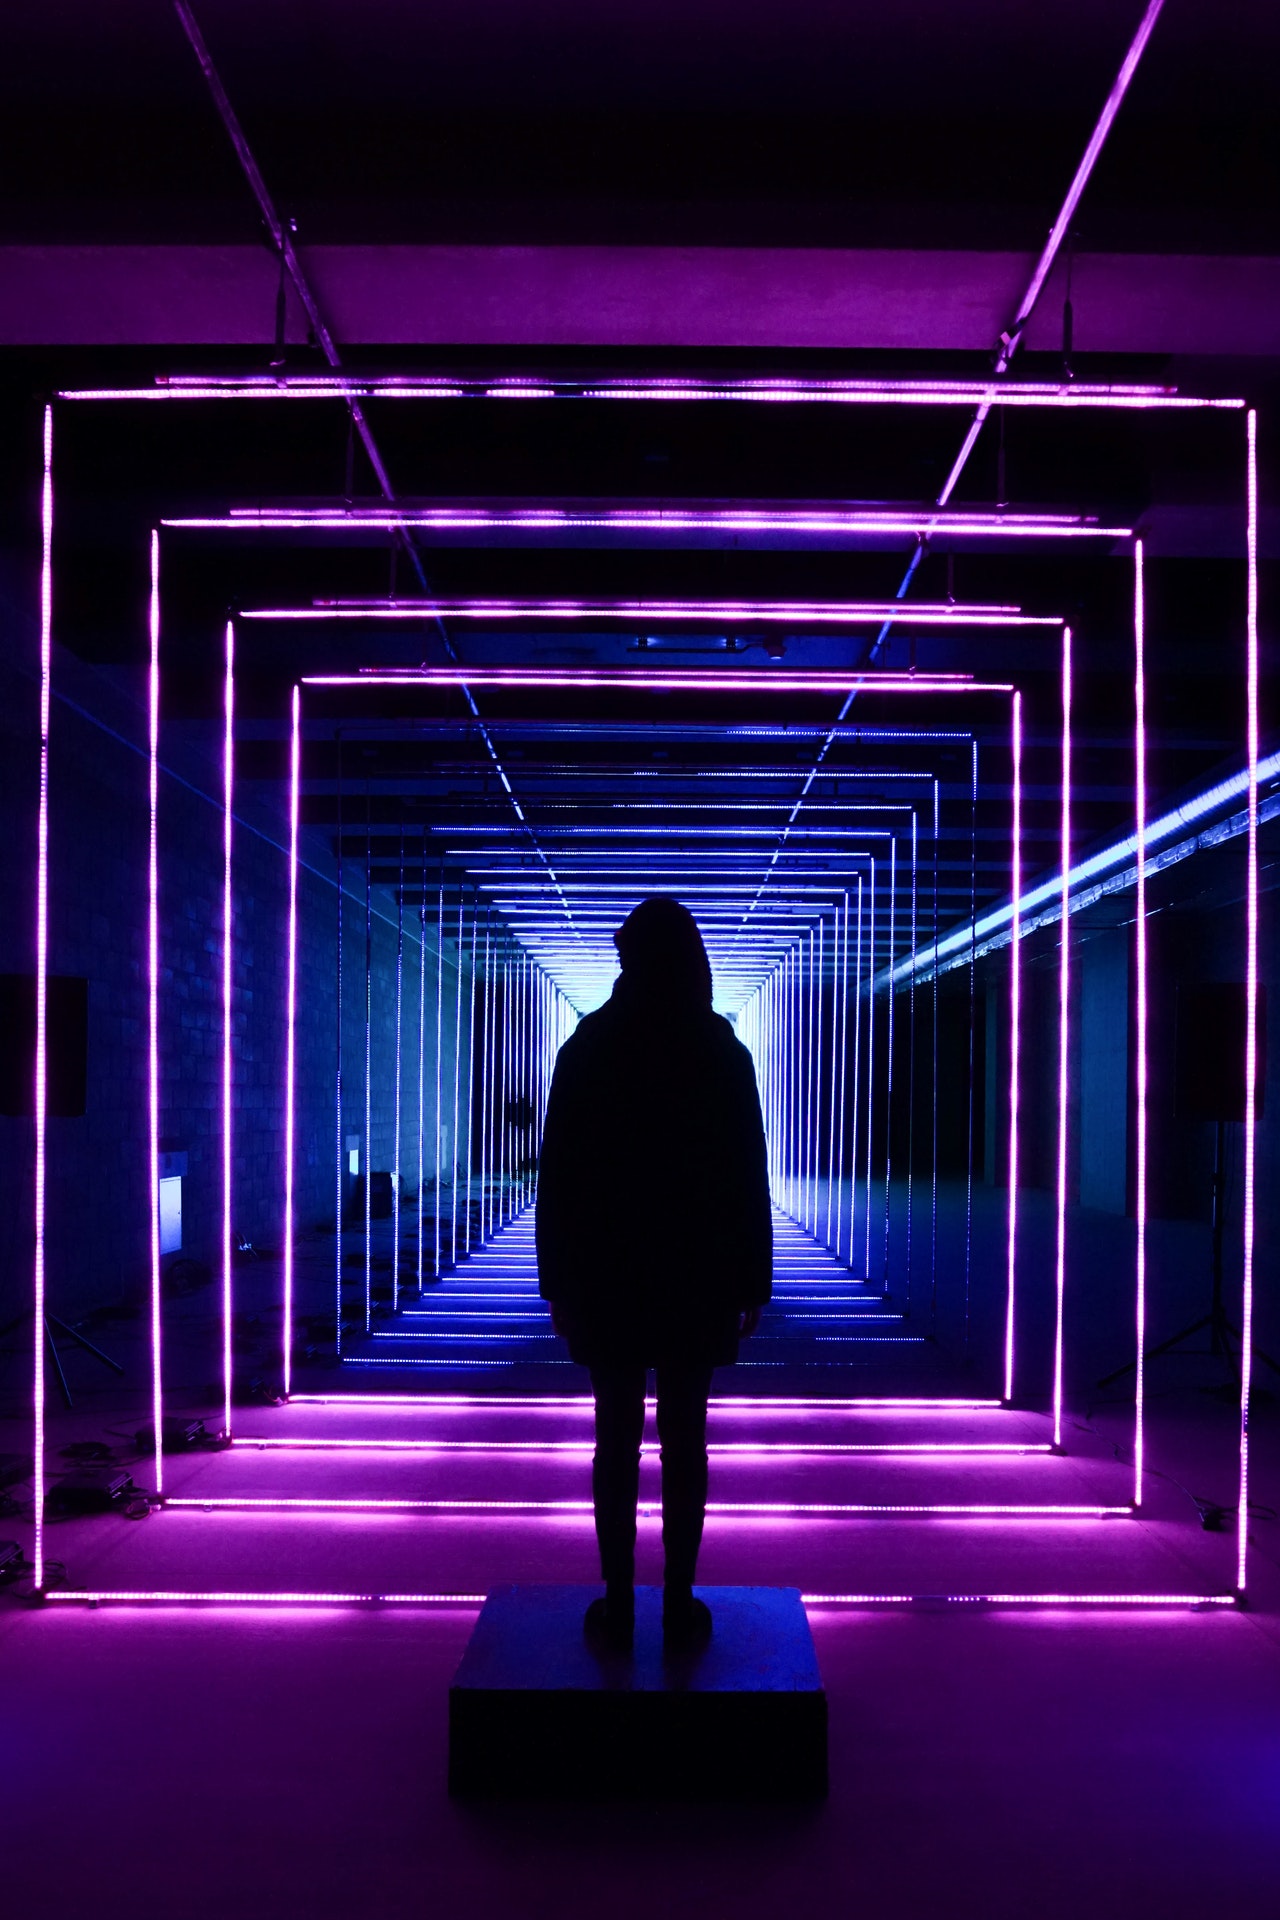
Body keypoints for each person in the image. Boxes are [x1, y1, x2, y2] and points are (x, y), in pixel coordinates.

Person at [536, 896, 772, 1651]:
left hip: (609, 1274)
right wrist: (752, 1279)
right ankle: (677, 1598)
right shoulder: (721, 1054)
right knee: (686, 1441)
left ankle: (616, 1597)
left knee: (615, 1443)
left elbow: (559, 1177)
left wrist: (557, 1282)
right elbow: (747, 1173)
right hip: (695, 1276)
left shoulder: (588, 1049)